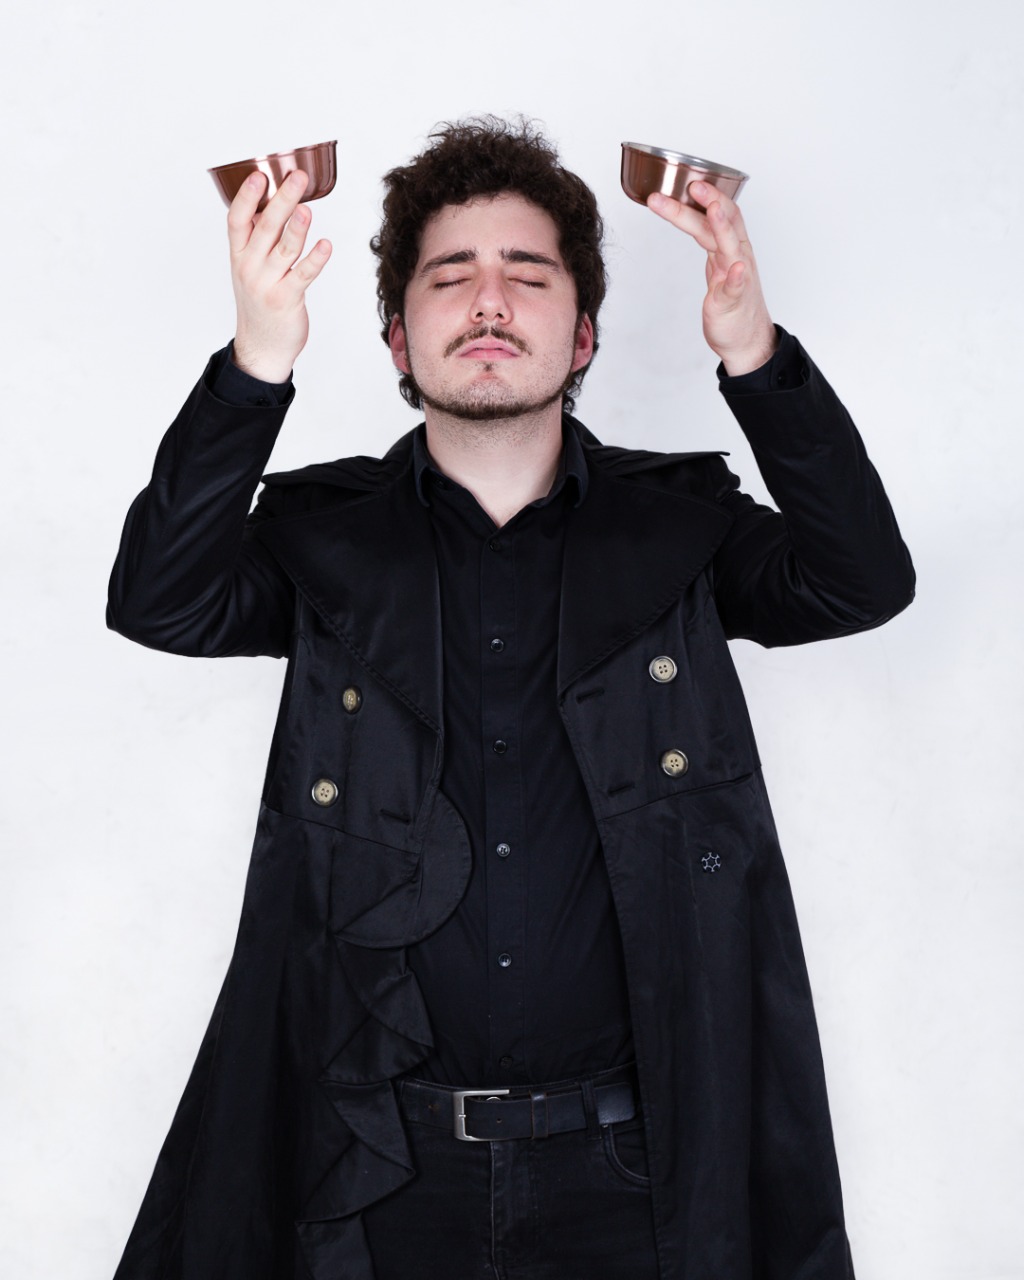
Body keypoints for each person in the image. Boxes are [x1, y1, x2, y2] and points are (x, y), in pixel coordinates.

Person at [107, 117, 914, 1280]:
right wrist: (256, 361)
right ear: (397, 334)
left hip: (636, 1177)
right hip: (374, 1171)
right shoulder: (318, 542)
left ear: (581, 333)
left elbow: (860, 580)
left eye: (526, 273)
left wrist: (754, 353)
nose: (489, 299)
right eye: (450, 275)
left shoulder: (682, 531)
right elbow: (158, 600)